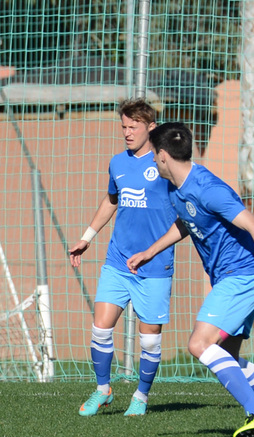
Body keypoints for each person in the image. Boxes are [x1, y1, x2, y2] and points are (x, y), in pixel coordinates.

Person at [128, 122, 254, 437]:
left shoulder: (209, 188)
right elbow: (186, 222)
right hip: (231, 277)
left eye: (153, 154)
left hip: (243, 275)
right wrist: (150, 251)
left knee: (199, 344)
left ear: (162, 155)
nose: (152, 160)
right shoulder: (174, 187)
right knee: (228, 355)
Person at [69, 99, 176, 417]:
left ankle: (141, 396)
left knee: (149, 341)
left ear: (151, 127)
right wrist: (87, 238)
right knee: (101, 328)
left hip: (154, 264)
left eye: (134, 127)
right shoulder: (117, 163)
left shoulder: (166, 164)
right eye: (124, 127)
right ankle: (103, 390)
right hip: (118, 261)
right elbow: (111, 200)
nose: (127, 133)